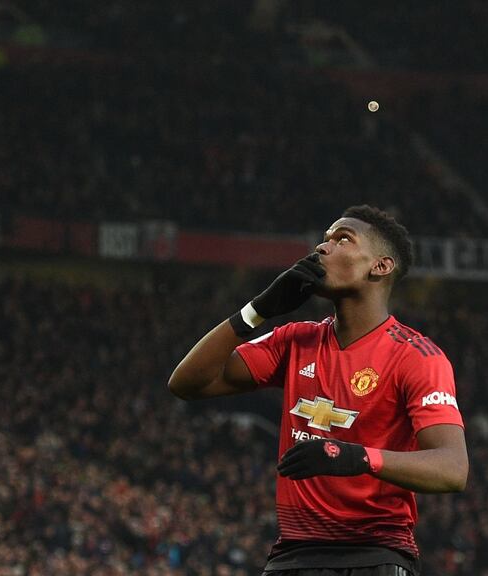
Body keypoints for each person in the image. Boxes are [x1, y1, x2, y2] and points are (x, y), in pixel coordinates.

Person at [168, 205, 467, 576]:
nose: (321, 249)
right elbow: (186, 383)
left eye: (342, 239)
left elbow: (453, 469)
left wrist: (356, 457)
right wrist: (258, 310)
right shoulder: (295, 340)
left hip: (374, 556)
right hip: (292, 557)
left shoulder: (416, 356)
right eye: (323, 240)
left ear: (381, 266)